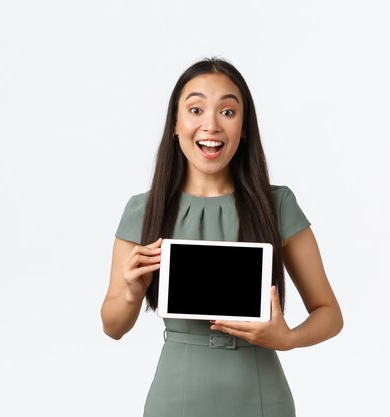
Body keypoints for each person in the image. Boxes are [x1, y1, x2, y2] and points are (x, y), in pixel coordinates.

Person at [101, 57, 343, 417]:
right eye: (196, 109)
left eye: (227, 112)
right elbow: (112, 326)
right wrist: (133, 293)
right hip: (176, 396)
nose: (210, 125)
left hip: (261, 396)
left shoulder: (277, 205)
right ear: (175, 124)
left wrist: (287, 339)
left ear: (244, 127)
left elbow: (330, 314)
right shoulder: (143, 210)